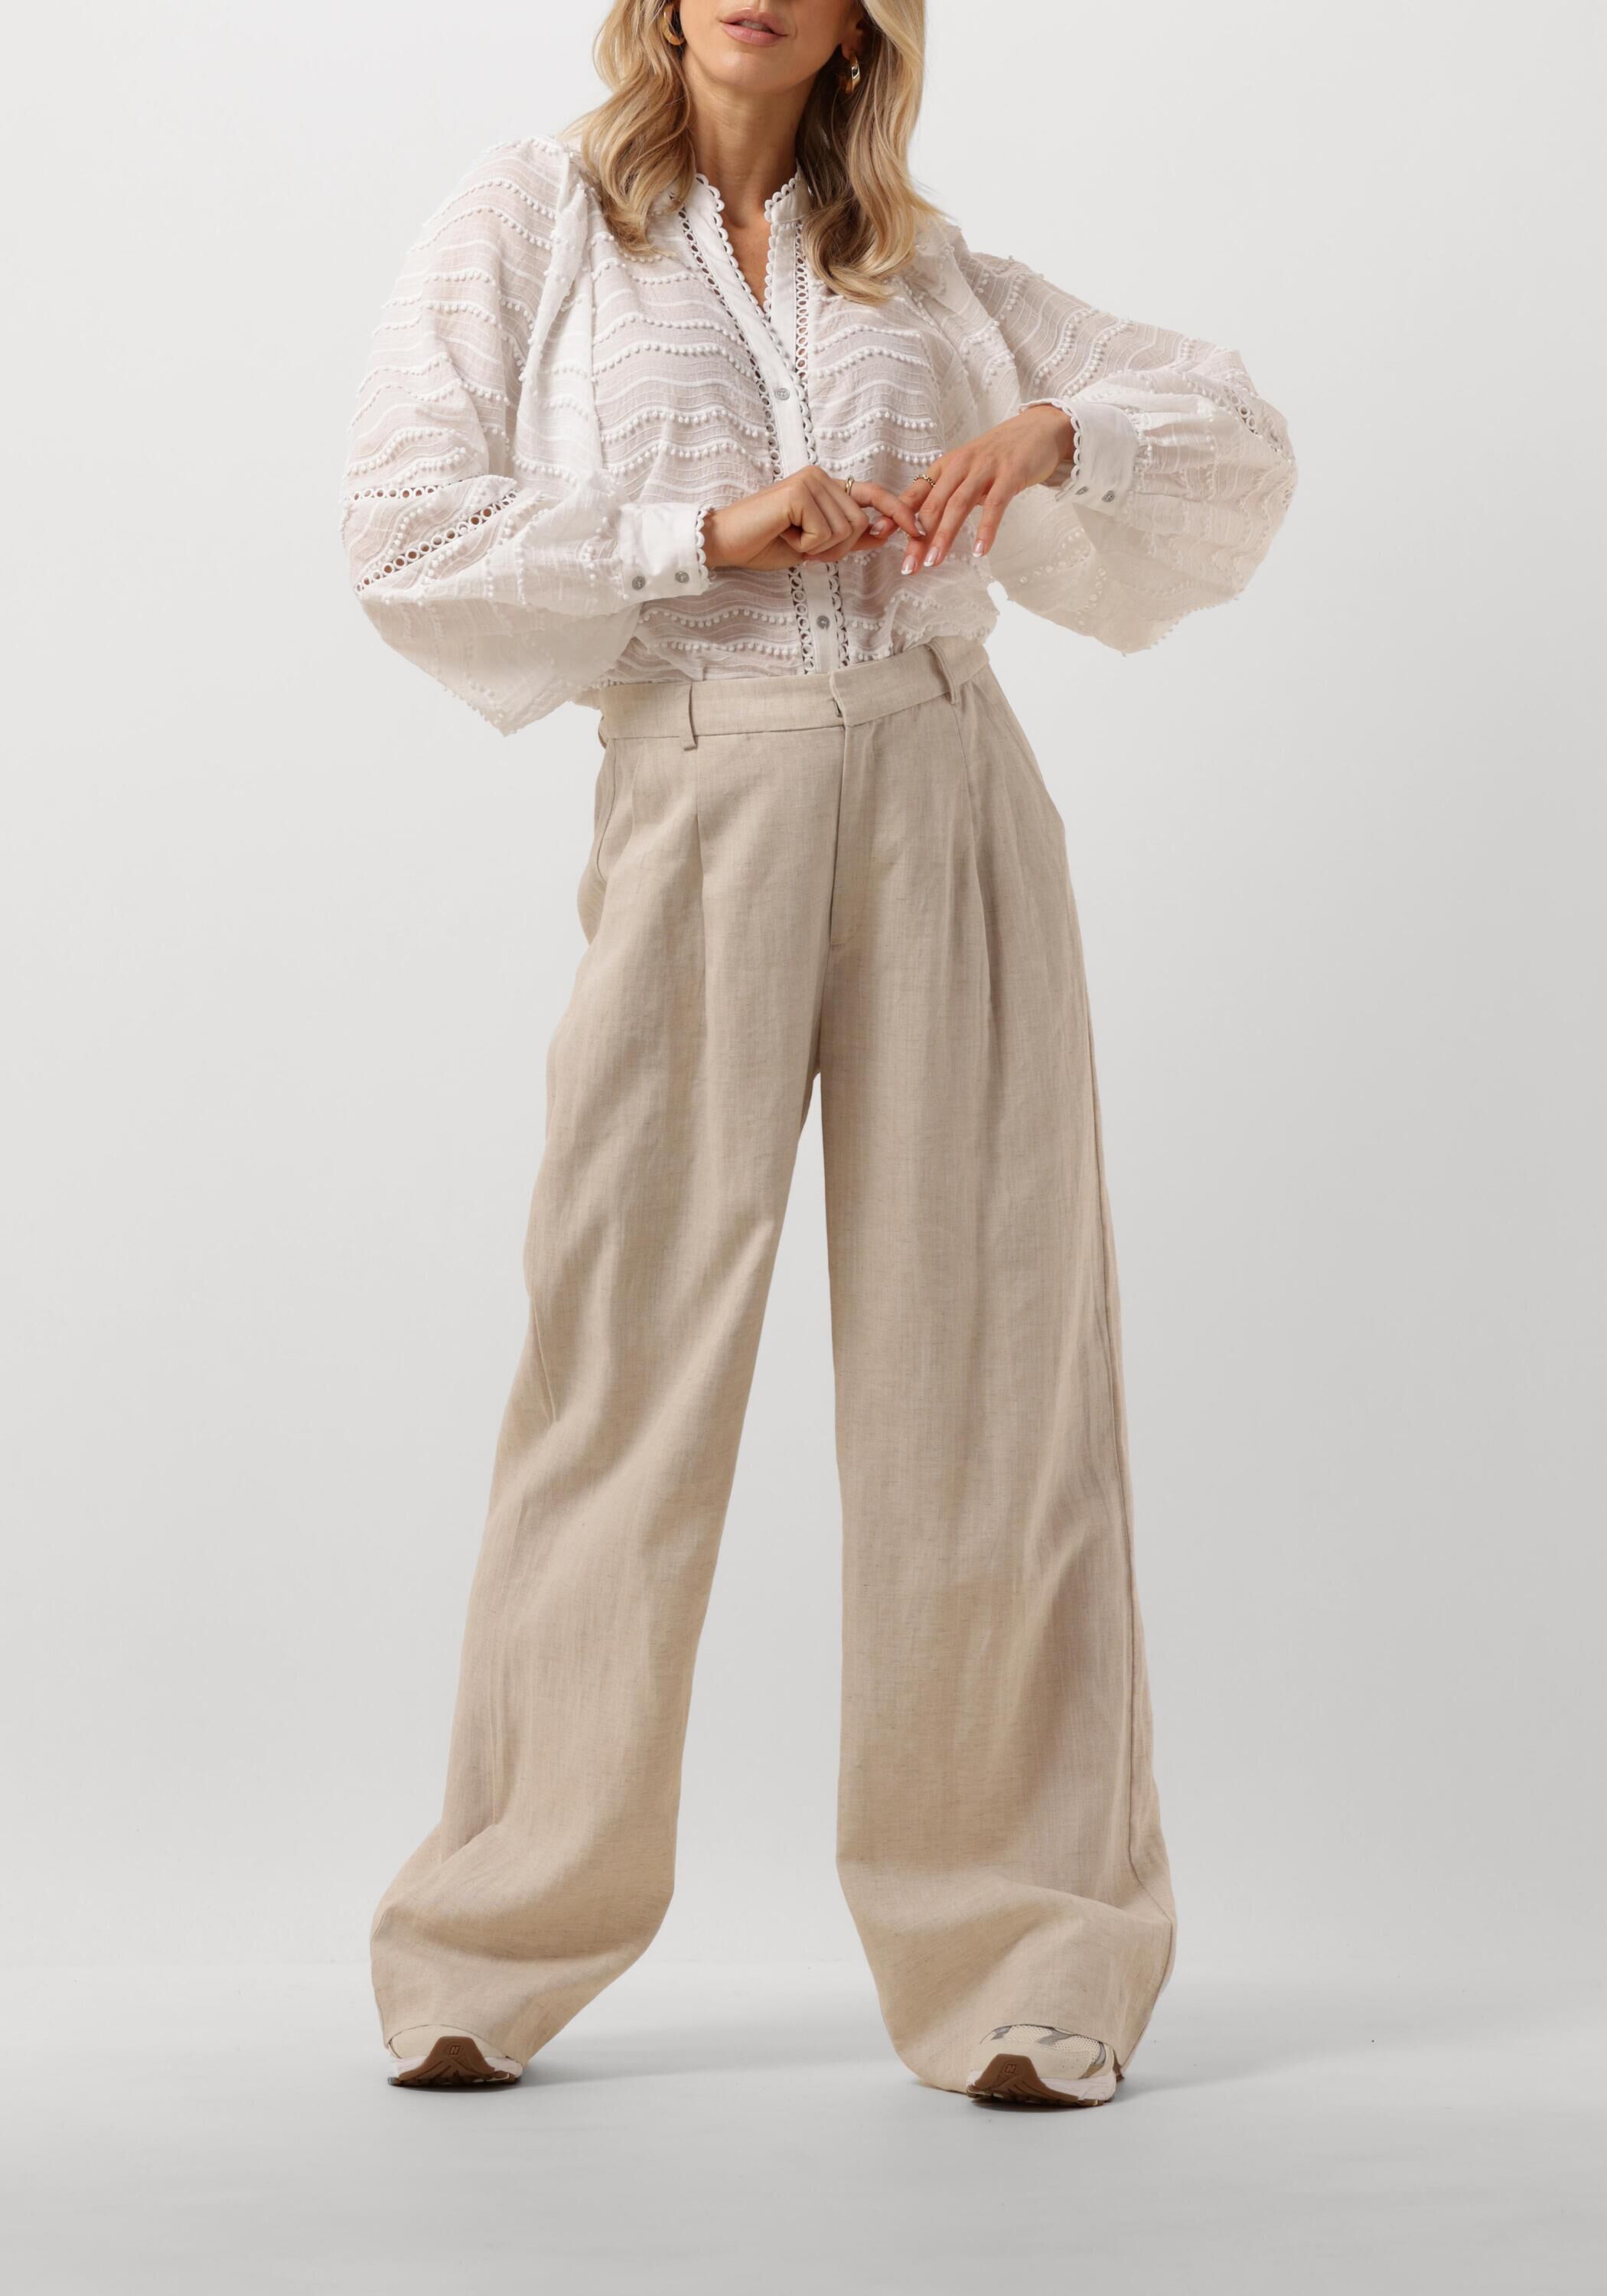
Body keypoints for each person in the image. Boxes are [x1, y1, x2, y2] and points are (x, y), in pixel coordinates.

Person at [339, 0, 1296, 2108]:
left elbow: (1228, 424)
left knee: (996, 1368)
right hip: (702, 783)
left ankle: (1028, 1955)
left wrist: (1050, 436)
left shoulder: (924, 264)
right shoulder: (535, 218)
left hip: (950, 786)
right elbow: (399, 534)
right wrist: (693, 537)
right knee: (622, 1358)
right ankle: (495, 1936)